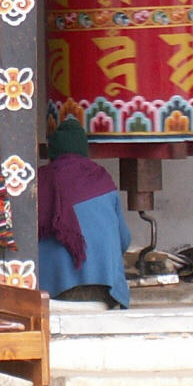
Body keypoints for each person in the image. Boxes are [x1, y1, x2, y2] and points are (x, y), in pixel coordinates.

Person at [36, 119, 131, 308]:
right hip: (107, 289)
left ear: (53, 151)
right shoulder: (101, 177)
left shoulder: (41, 180)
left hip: (55, 290)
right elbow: (124, 239)